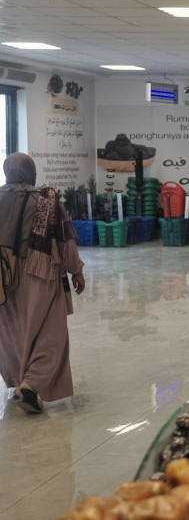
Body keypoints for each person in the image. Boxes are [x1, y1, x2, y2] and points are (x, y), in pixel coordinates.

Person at [0, 153, 85, 413]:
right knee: (51, 330)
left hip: (3, 275)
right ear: (32, 172)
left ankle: (20, 380)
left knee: (11, 331)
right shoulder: (46, 199)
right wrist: (76, 270)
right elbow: (65, 240)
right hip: (41, 273)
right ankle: (32, 383)